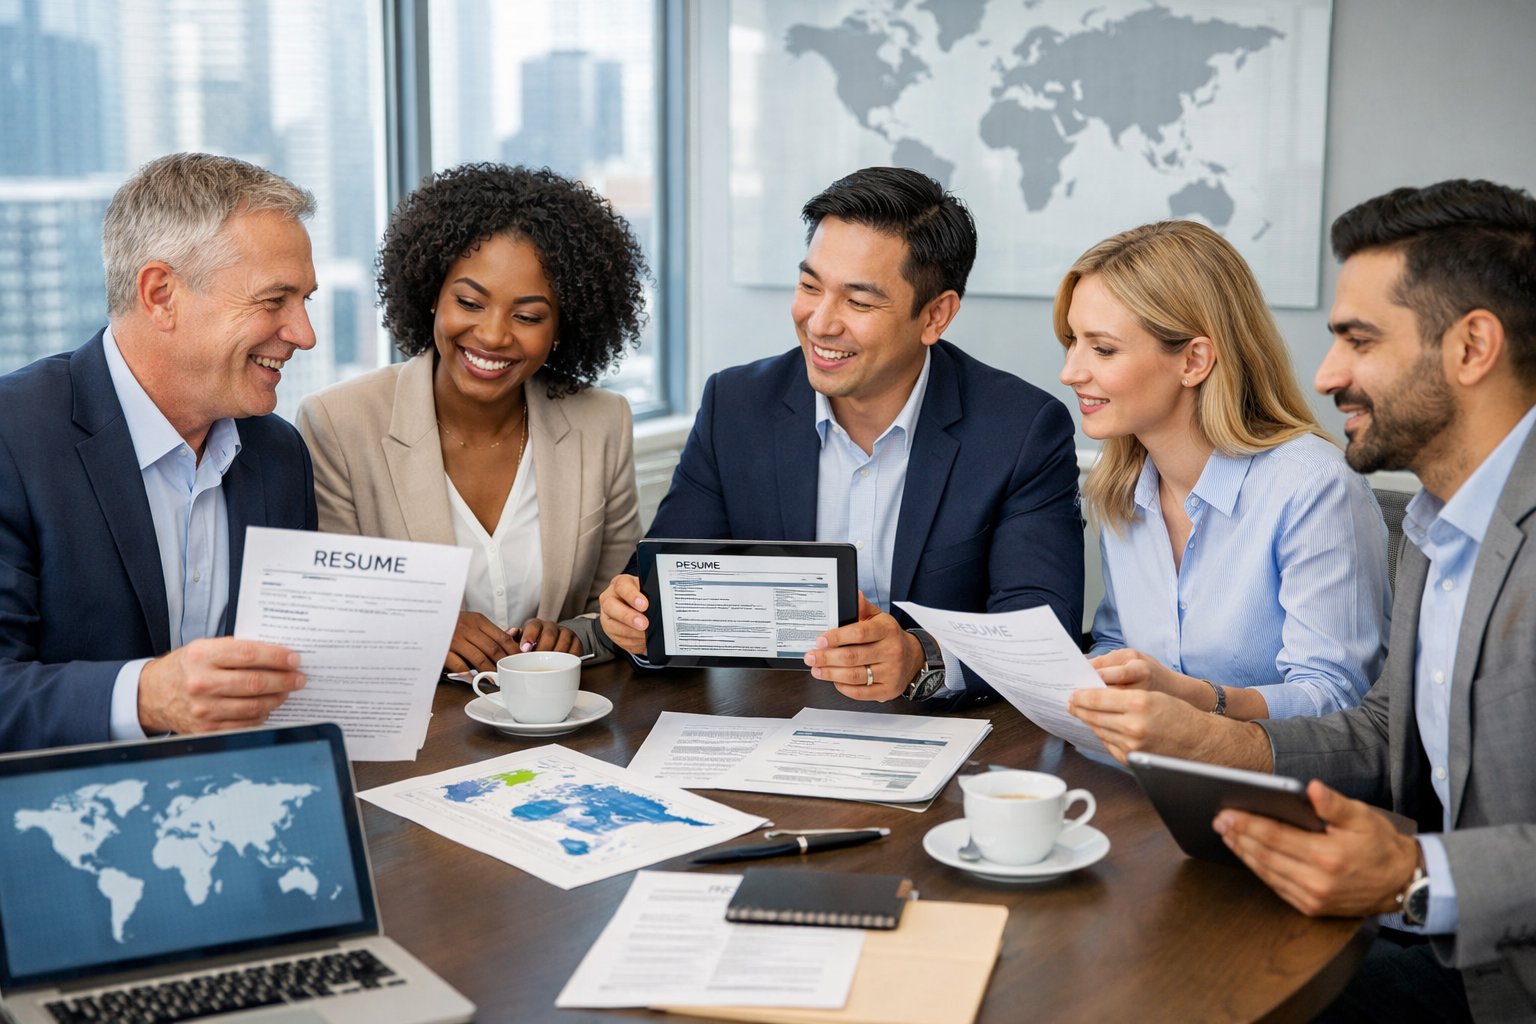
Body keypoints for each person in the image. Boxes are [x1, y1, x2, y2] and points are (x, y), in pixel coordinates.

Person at [1070, 179, 1536, 1020]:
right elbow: (1378, 728)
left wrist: (1419, 872)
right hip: (1406, 923)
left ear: (1472, 347)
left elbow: (1345, 704)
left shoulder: (1334, 490)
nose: (1326, 375)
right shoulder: (1441, 521)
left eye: (1358, 340)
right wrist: (1201, 725)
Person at [599, 166, 1083, 710]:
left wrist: (921, 656)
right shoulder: (736, 407)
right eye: (810, 286)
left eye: (858, 301)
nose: (820, 322)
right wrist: (638, 624)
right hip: (773, 725)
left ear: (935, 315)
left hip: (950, 736)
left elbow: (1041, 629)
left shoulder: (1020, 429)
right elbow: (664, 589)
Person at [0, 152, 319, 751]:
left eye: (306, 300)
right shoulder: (12, 437)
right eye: (274, 300)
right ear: (161, 294)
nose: (304, 333)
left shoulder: (280, 453)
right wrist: (146, 696)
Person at [296, 164, 647, 673]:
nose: (493, 335)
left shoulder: (603, 423)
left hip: (558, 727)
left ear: (564, 326)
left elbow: (612, 611)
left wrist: (569, 636)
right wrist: (424, 628)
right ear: (431, 294)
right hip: (417, 731)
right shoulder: (339, 423)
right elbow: (330, 610)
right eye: (469, 302)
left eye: (527, 316)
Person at [1058, 220, 1390, 723]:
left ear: (1194, 360)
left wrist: (1198, 699)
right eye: (1072, 341)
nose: (1071, 371)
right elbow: (1117, 641)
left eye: (1102, 348)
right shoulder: (1123, 486)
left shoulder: (1312, 485)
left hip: (1271, 789)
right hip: (1143, 774)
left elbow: (1337, 698)